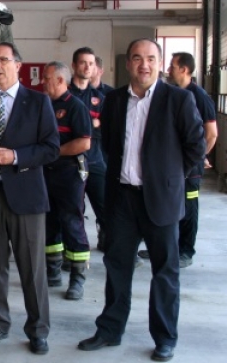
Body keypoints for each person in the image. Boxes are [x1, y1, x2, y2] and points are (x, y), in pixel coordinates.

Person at [77, 39, 205, 362]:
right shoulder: (115, 100)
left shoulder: (178, 99)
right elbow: (109, 145)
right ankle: (109, 330)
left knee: (164, 270)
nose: (143, 65)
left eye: (150, 58)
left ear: (159, 64)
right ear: (128, 64)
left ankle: (164, 337)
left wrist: (170, 178)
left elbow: (196, 146)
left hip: (161, 200)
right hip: (122, 200)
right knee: (117, 266)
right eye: (137, 58)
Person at [0, 42, 59, 355]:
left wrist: (14, 156)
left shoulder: (38, 102)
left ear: (18, 64)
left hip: (27, 197)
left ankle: (38, 330)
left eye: (4, 60)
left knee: (32, 268)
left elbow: (51, 148)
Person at [138, 52, 218, 268]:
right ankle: (167, 246)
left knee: (189, 208)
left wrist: (198, 159)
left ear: (184, 69)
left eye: (172, 66)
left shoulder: (198, 96)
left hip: (190, 168)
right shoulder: (172, 94)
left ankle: (185, 250)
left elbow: (211, 134)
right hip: (173, 167)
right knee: (170, 206)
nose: (168, 70)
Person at [42, 62, 92, 300]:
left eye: (48, 78)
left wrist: (54, 152)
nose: (44, 82)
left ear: (61, 80)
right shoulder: (44, 105)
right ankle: (52, 270)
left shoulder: (76, 107)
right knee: (49, 220)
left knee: (71, 222)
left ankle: (77, 277)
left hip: (69, 173)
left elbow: (84, 143)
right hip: (45, 172)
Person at [69, 47, 107, 253]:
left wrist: (93, 127)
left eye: (91, 63)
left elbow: (107, 128)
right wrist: (93, 124)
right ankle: (72, 252)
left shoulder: (101, 98)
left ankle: (111, 245)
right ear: (74, 65)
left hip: (95, 160)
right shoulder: (64, 95)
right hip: (69, 162)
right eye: (83, 62)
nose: (87, 67)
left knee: (106, 207)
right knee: (73, 209)